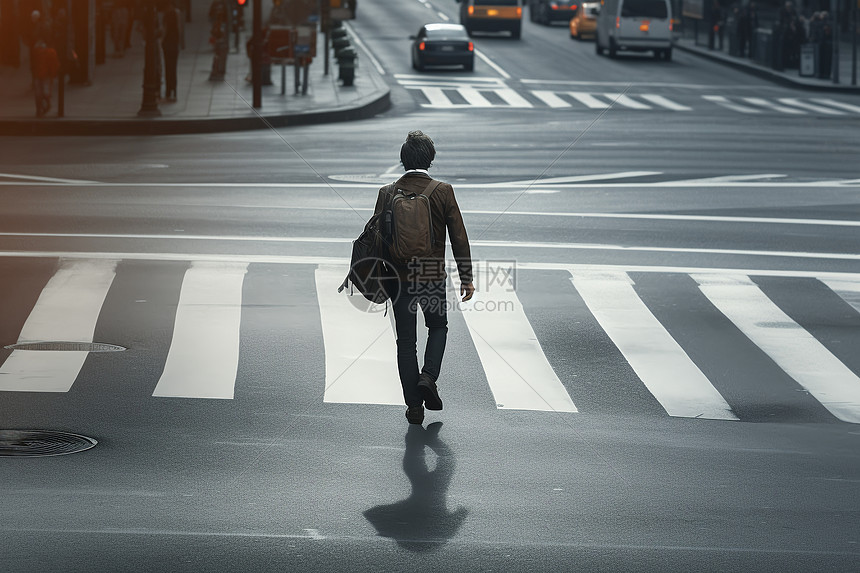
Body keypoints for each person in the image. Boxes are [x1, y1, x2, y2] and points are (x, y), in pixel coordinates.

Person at [372, 131, 475, 425]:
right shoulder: (443, 190)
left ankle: (414, 408)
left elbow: (376, 240)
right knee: (438, 327)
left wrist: (379, 280)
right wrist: (466, 277)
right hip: (431, 274)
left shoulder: (387, 192)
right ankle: (428, 377)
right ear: (430, 159)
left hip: (399, 277)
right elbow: (459, 237)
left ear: (403, 160)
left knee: (405, 342)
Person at [161, 0, 183, 101]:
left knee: (168, 67)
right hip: (174, 43)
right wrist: (181, 43)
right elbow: (180, 28)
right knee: (173, 68)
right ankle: (173, 91)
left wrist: (161, 40)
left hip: (168, 43)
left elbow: (164, 30)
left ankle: (169, 91)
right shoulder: (177, 13)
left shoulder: (166, 15)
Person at [31, 38, 59, 116]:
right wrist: (53, 74)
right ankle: (45, 107)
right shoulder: (50, 52)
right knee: (45, 92)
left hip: (39, 74)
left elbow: (33, 64)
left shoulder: (36, 52)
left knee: (38, 93)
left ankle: (39, 110)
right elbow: (55, 65)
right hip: (46, 75)